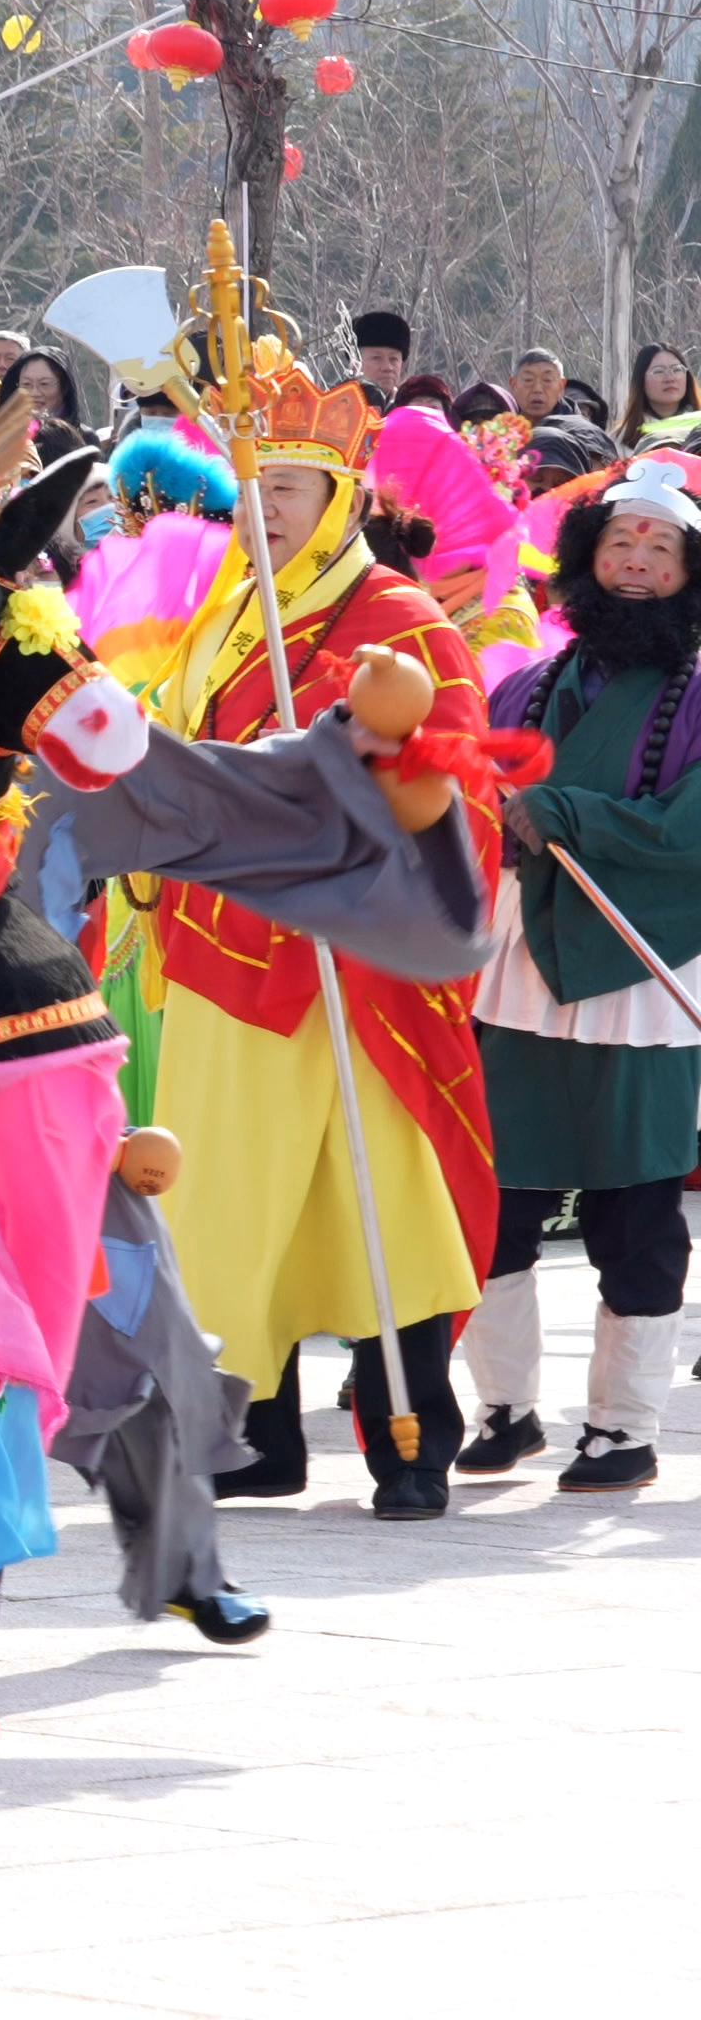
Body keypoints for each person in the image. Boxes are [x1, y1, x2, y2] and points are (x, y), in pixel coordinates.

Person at [140, 359, 494, 1517]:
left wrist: (348, 773)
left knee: (379, 1203)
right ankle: (259, 1435)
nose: (268, 508)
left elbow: (452, 781)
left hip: (344, 967)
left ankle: (412, 1437)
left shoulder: (397, 619)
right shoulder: (225, 616)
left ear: (341, 499)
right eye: (251, 487)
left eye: (290, 485)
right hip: (220, 950)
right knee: (232, 1208)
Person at [466, 462, 701, 1492]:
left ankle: (623, 1425)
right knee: (494, 1204)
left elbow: (688, 831)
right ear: (587, 560)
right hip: (518, 966)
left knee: (636, 1212)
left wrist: (568, 816)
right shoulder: (528, 680)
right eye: (619, 545)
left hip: (642, 971)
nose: (637, 562)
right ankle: (507, 1409)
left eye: (659, 548)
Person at [619, 344, 697, 449]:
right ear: (641, 381)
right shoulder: (624, 437)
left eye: (677, 370)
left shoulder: (698, 426)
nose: (670, 378)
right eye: (659, 371)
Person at [352, 310, 412, 405]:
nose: (387, 367)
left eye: (393, 359)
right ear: (355, 364)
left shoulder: (409, 412)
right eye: (376, 358)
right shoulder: (337, 408)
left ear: (402, 365)